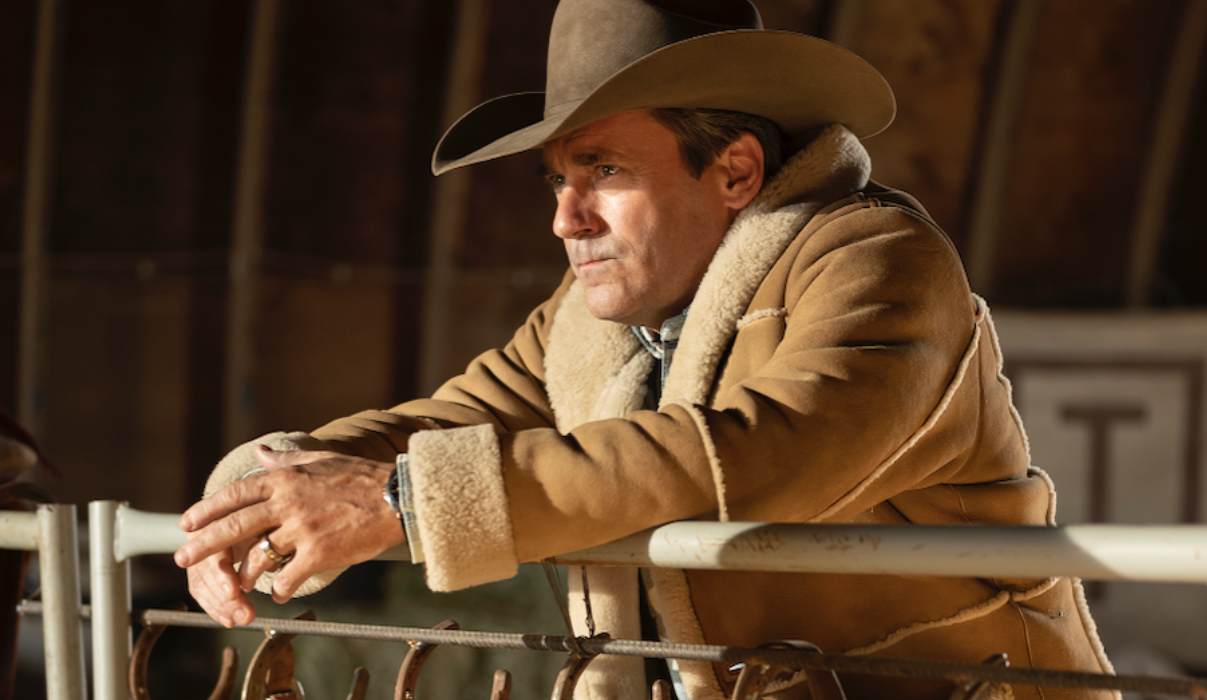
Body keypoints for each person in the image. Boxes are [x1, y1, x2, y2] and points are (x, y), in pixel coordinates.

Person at [174, 1, 1116, 698]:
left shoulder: (879, 261)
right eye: (557, 180)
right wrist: (257, 493)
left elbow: (765, 451)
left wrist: (403, 502)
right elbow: (450, 417)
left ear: (737, 169)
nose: (564, 219)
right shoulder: (585, 319)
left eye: (605, 172)